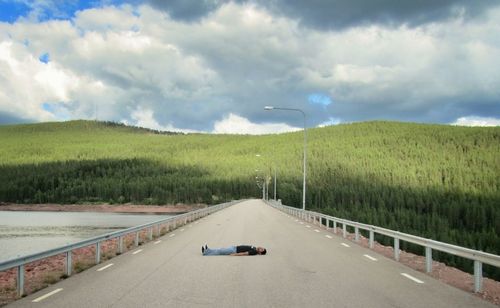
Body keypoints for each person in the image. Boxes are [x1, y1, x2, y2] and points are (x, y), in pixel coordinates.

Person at [201, 244, 266, 256]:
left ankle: (205, 253)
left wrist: (235, 254)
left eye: (261, 250)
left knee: (219, 251)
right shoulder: (254, 247)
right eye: (262, 248)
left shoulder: (254, 252)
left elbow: (245, 253)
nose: (261, 248)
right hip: (234, 248)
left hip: (234, 251)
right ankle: (208, 250)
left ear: (260, 253)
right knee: (221, 249)